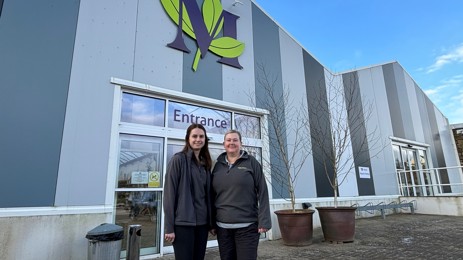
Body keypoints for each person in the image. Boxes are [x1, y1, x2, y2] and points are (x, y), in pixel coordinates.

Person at [212, 129, 271, 260]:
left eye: (235, 140)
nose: (231, 143)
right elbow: (212, 196)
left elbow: (263, 191)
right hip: (223, 228)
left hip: (247, 227)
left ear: (241, 143)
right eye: (228, 140)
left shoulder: (251, 162)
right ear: (224, 144)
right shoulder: (218, 166)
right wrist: (212, 223)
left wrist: (264, 220)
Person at [163, 123, 213, 260]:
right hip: (183, 224)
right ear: (188, 139)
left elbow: (207, 196)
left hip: (202, 224)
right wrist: (169, 227)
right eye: (194, 136)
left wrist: (211, 222)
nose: (198, 139)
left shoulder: (205, 163)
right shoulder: (178, 160)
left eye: (201, 136)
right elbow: (169, 195)